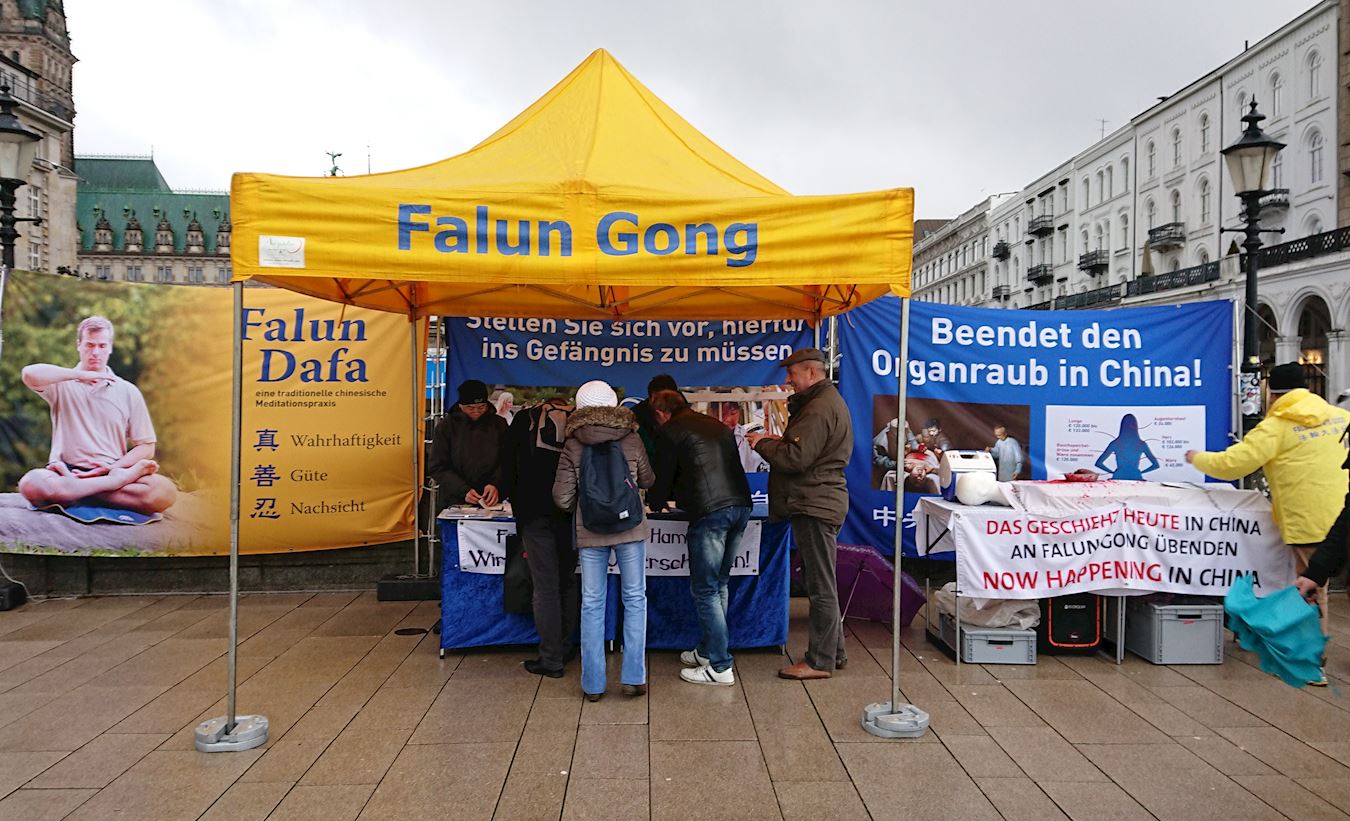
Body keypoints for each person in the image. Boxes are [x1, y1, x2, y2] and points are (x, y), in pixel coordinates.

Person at [1187, 363, 1350, 681]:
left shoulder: (1276, 425)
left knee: (1313, 590)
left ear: (1273, 394)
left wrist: (1197, 458)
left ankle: (1311, 663)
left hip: (1309, 518)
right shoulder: (1338, 417)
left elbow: (1234, 464)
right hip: (1343, 510)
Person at [748, 348, 853, 680]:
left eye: (791, 374)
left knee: (820, 584)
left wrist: (762, 444)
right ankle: (834, 652)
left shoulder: (818, 408)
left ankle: (819, 661)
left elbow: (795, 459)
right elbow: (804, 450)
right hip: (818, 500)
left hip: (814, 503)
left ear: (811, 373)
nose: (787, 380)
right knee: (820, 580)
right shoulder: (823, 403)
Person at [553, 379, 654, 701]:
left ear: (579, 408)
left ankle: (594, 684)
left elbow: (561, 497)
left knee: (593, 603)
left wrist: (585, 506)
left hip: (591, 529)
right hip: (630, 529)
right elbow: (649, 478)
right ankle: (634, 677)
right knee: (635, 599)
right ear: (613, 406)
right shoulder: (632, 438)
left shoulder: (573, 444)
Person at [18, 315, 177, 516]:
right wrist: (81, 375)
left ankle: (79, 491)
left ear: (110, 347)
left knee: (165, 492)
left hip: (111, 469)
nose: (95, 352)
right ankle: (108, 486)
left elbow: (146, 447)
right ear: (79, 345)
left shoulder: (128, 391)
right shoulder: (61, 383)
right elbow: (29, 374)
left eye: (102, 346)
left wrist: (112, 469)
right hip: (67, 471)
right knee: (31, 484)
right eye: (89, 345)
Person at [646, 390, 753, 686]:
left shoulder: (671, 431)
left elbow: (662, 477)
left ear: (660, 413)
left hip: (710, 510)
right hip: (741, 505)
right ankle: (708, 650)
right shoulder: (716, 425)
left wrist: (654, 502)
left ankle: (719, 665)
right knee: (719, 584)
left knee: (705, 589)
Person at [502, 395, 576, 679]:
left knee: (544, 587)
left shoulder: (525, 420)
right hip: (569, 513)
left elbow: (508, 466)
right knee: (568, 582)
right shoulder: (577, 422)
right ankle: (567, 646)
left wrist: (518, 506)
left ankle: (551, 659)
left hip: (534, 513)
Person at [428, 379, 508, 512]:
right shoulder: (446, 427)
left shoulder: (499, 425)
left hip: (493, 501)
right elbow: (437, 466)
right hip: (454, 500)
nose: (476, 411)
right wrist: (463, 490)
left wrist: (495, 484)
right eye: (470, 408)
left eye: (482, 407)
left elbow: (508, 459)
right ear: (460, 406)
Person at [1095, 413, 1160, 480]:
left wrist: (1113, 472)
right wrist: (1140, 472)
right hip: (1136, 476)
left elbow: (1098, 463)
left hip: (1118, 476)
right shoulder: (1141, 444)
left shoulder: (1115, 443)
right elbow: (1156, 465)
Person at [633, 374, 678, 462]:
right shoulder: (636, 418)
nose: (664, 403)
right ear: (652, 397)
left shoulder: (683, 414)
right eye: (659, 399)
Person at [718, 401, 767, 473]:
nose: (728, 419)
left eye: (733, 413)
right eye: (723, 414)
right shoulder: (708, 435)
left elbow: (754, 462)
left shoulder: (746, 434)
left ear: (739, 412)